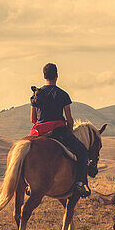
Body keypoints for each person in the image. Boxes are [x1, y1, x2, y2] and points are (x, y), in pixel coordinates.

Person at [30, 63, 90, 197]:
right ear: (57, 76)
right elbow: (69, 119)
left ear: (43, 76)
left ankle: (29, 183)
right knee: (82, 152)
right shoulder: (63, 94)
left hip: (39, 132)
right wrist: (69, 131)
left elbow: (33, 119)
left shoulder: (36, 95)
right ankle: (80, 184)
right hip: (58, 132)